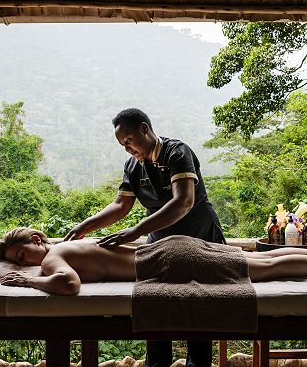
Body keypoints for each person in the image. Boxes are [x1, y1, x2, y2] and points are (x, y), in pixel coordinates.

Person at [64, 108, 226, 367]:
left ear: (144, 129)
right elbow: (120, 205)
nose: (127, 149)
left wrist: (136, 231)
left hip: (199, 238)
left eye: (128, 141)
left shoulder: (177, 152)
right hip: (160, 245)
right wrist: (85, 227)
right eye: (122, 145)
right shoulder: (132, 165)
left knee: (198, 311)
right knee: (155, 306)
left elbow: (183, 202)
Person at [0, 227, 307, 296]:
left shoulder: (53, 259)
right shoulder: (67, 244)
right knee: (257, 259)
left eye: (22, 256)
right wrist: (12, 269)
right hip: (172, 248)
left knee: (266, 269)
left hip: (168, 261)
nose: (25, 264)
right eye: (20, 263)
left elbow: (69, 286)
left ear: (35, 241)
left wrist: (27, 281)